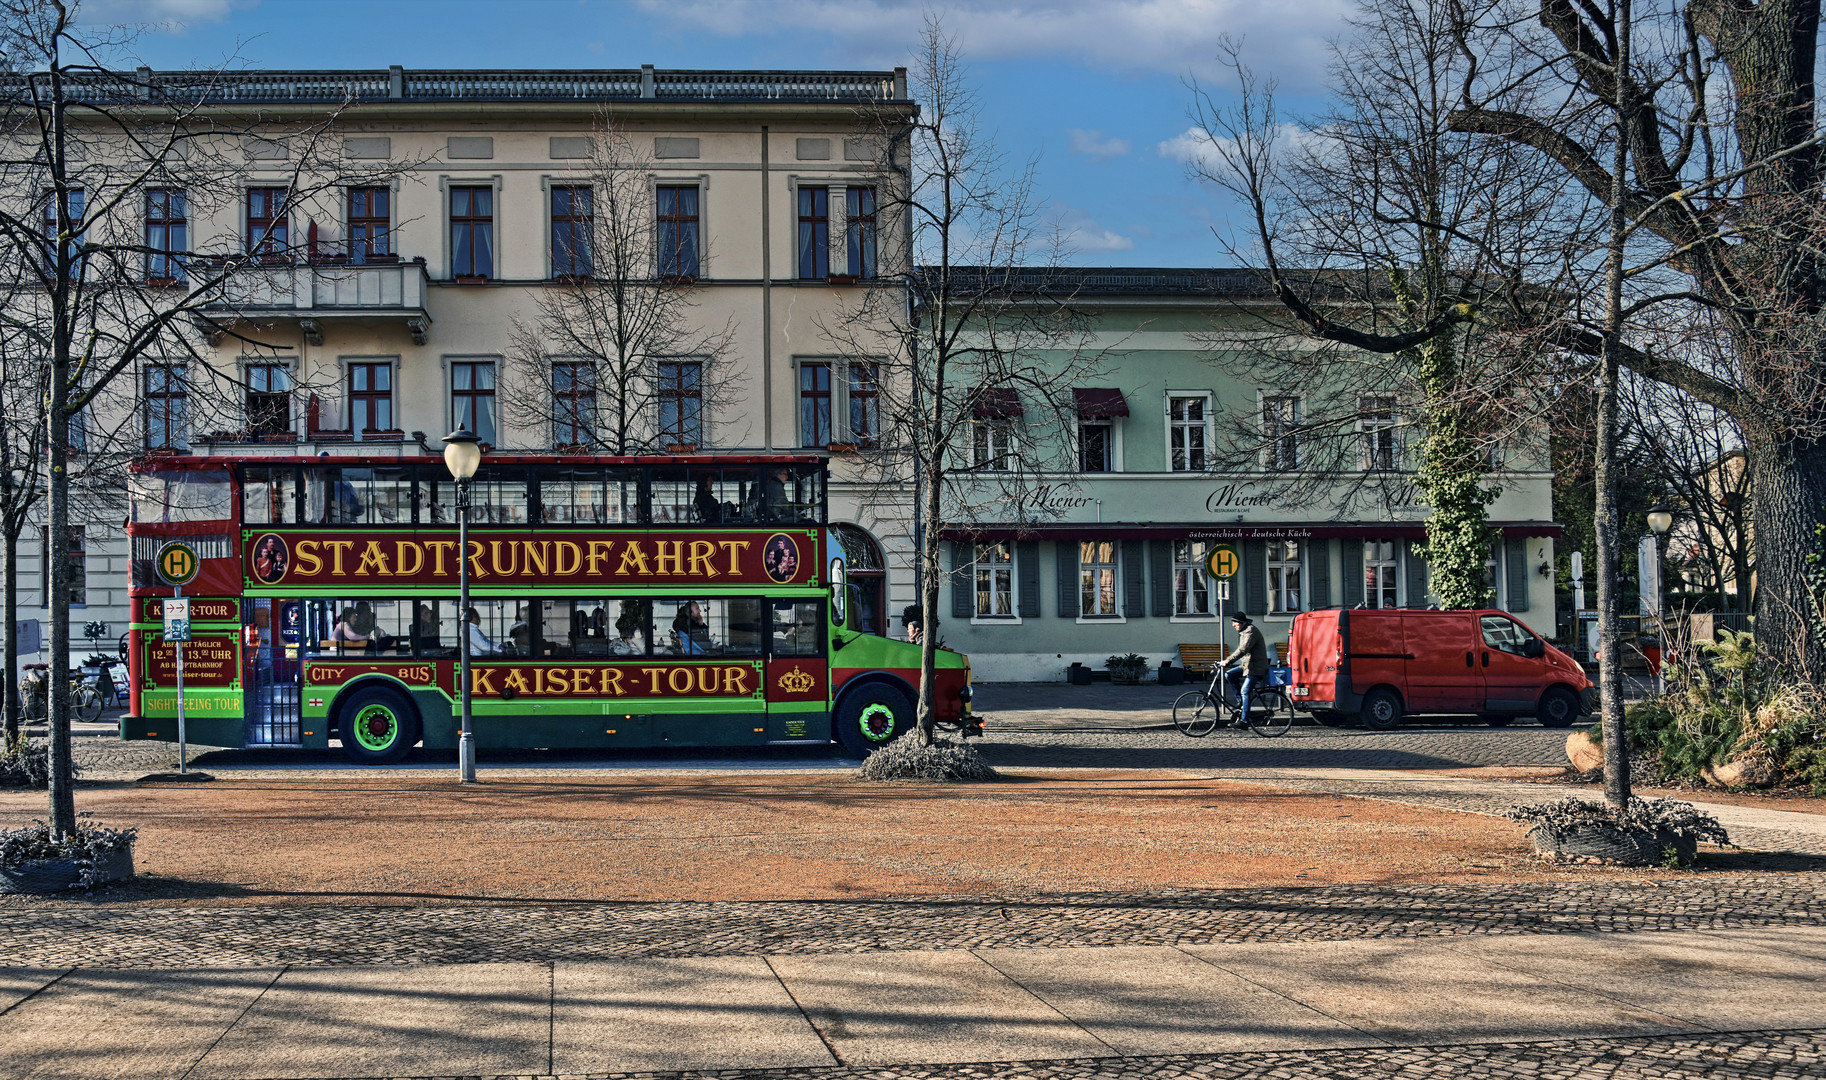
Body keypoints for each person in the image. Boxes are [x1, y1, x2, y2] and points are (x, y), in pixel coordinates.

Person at [1221, 612, 1270, 728]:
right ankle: (1241, 702)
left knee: (1245, 691)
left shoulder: (1250, 631)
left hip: (1255, 667)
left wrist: (1228, 660)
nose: (1233, 625)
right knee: (1229, 675)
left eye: (1235, 622)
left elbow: (1243, 649)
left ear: (1241, 623)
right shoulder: (1244, 631)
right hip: (1247, 666)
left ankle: (1245, 721)